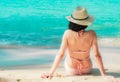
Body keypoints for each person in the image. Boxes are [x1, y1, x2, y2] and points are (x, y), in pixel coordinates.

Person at [41, 6, 118, 82]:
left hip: (71, 70)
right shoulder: (92, 34)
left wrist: (51, 73)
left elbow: (60, 54)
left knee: (68, 54)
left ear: (72, 21)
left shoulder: (67, 33)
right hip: (87, 69)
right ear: (86, 22)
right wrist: (104, 75)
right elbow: (96, 55)